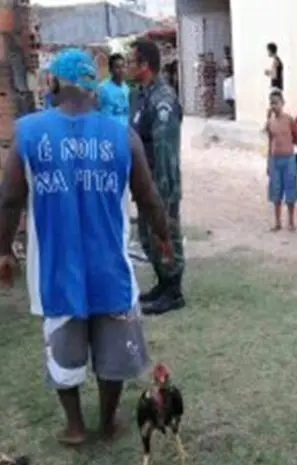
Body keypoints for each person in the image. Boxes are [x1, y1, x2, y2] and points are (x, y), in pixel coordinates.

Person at [0, 48, 172, 446]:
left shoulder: (27, 132)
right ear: (93, 88)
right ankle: (108, 421)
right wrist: (164, 237)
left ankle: (75, 425)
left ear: (56, 83)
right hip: (110, 269)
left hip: (55, 271)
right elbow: (148, 199)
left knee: (63, 349)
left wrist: (4, 249)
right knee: (113, 352)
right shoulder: (122, 136)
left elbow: (9, 199)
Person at [129, 39, 186, 315]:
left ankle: (174, 291)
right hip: (145, 180)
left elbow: (164, 150)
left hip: (160, 182)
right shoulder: (142, 95)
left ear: (145, 65)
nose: (127, 66)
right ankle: (163, 282)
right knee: (147, 235)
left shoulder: (163, 99)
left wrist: (162, 190)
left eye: (132, 61)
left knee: (166, 233)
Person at [264, 89, 297, 232]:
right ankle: (277, 222)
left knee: (290, 191)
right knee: (276, 192)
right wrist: (268, 162)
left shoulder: (289, 119)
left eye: (276, 103)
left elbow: (296, 137)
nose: (274, 106)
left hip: (289, 159)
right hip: (275, 160)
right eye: (272, 103)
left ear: (283, 103)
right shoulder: (270, 123)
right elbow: (269, 142)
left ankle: (291, 222)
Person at [97, 53, 130, 126]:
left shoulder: (126, 88)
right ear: (110, 70)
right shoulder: (102, 88)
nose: (121, 70)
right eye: (117, 67)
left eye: (123, 66)